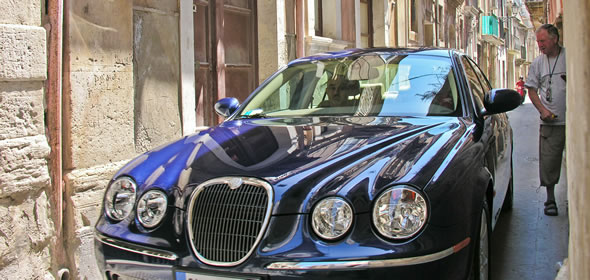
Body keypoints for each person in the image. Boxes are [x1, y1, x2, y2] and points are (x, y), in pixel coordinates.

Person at [524, 24, 567, 216]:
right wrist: (542, 110)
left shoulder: (569, 57)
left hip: (572, 122)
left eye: (543, 41)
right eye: (538, 42)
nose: (540, 45)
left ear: (555, 39)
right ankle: (550, 199)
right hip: (550, 122)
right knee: (549, 161)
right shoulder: (538, 63)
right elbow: (531, 89)